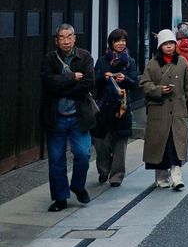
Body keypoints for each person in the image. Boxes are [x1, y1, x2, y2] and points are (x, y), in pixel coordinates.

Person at [40, 23, 96, 212]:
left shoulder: (85, 56)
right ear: (56, 40)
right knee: (56, 159)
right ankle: (60, 198)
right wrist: (72, 77)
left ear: (74, 38)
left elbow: (88, 83)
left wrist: (62, 86)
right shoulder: (49, 59)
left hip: (78, 116)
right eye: (61, 37)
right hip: (56, 117)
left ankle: (78, 186)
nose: (65, 41)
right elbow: (48, 83)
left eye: (68, 37)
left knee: (83, 154)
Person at [140, 28, 188, 190]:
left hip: (178, 111)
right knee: (160, 145)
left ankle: (177, 175)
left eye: (171, 43)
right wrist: (158, 90)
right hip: (159, 112)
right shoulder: (152, 64)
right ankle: (162, 176)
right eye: (165, 44)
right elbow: (144, 84)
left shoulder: (182, 62)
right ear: (160, 46)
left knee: (176, 144)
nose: (169, 46)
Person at [92, 28, 139, 187]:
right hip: (104, 107)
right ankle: (103, 170)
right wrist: (104, 77)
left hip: (122, 108)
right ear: (111, 43)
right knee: (101, 143)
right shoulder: (103, 60)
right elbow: (94, 80)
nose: (121, 43)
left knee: (120, 144)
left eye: (123, 40)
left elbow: (134, 83)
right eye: (117, 40)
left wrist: (124, 78)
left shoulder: (130, 61)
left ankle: (116, 177)